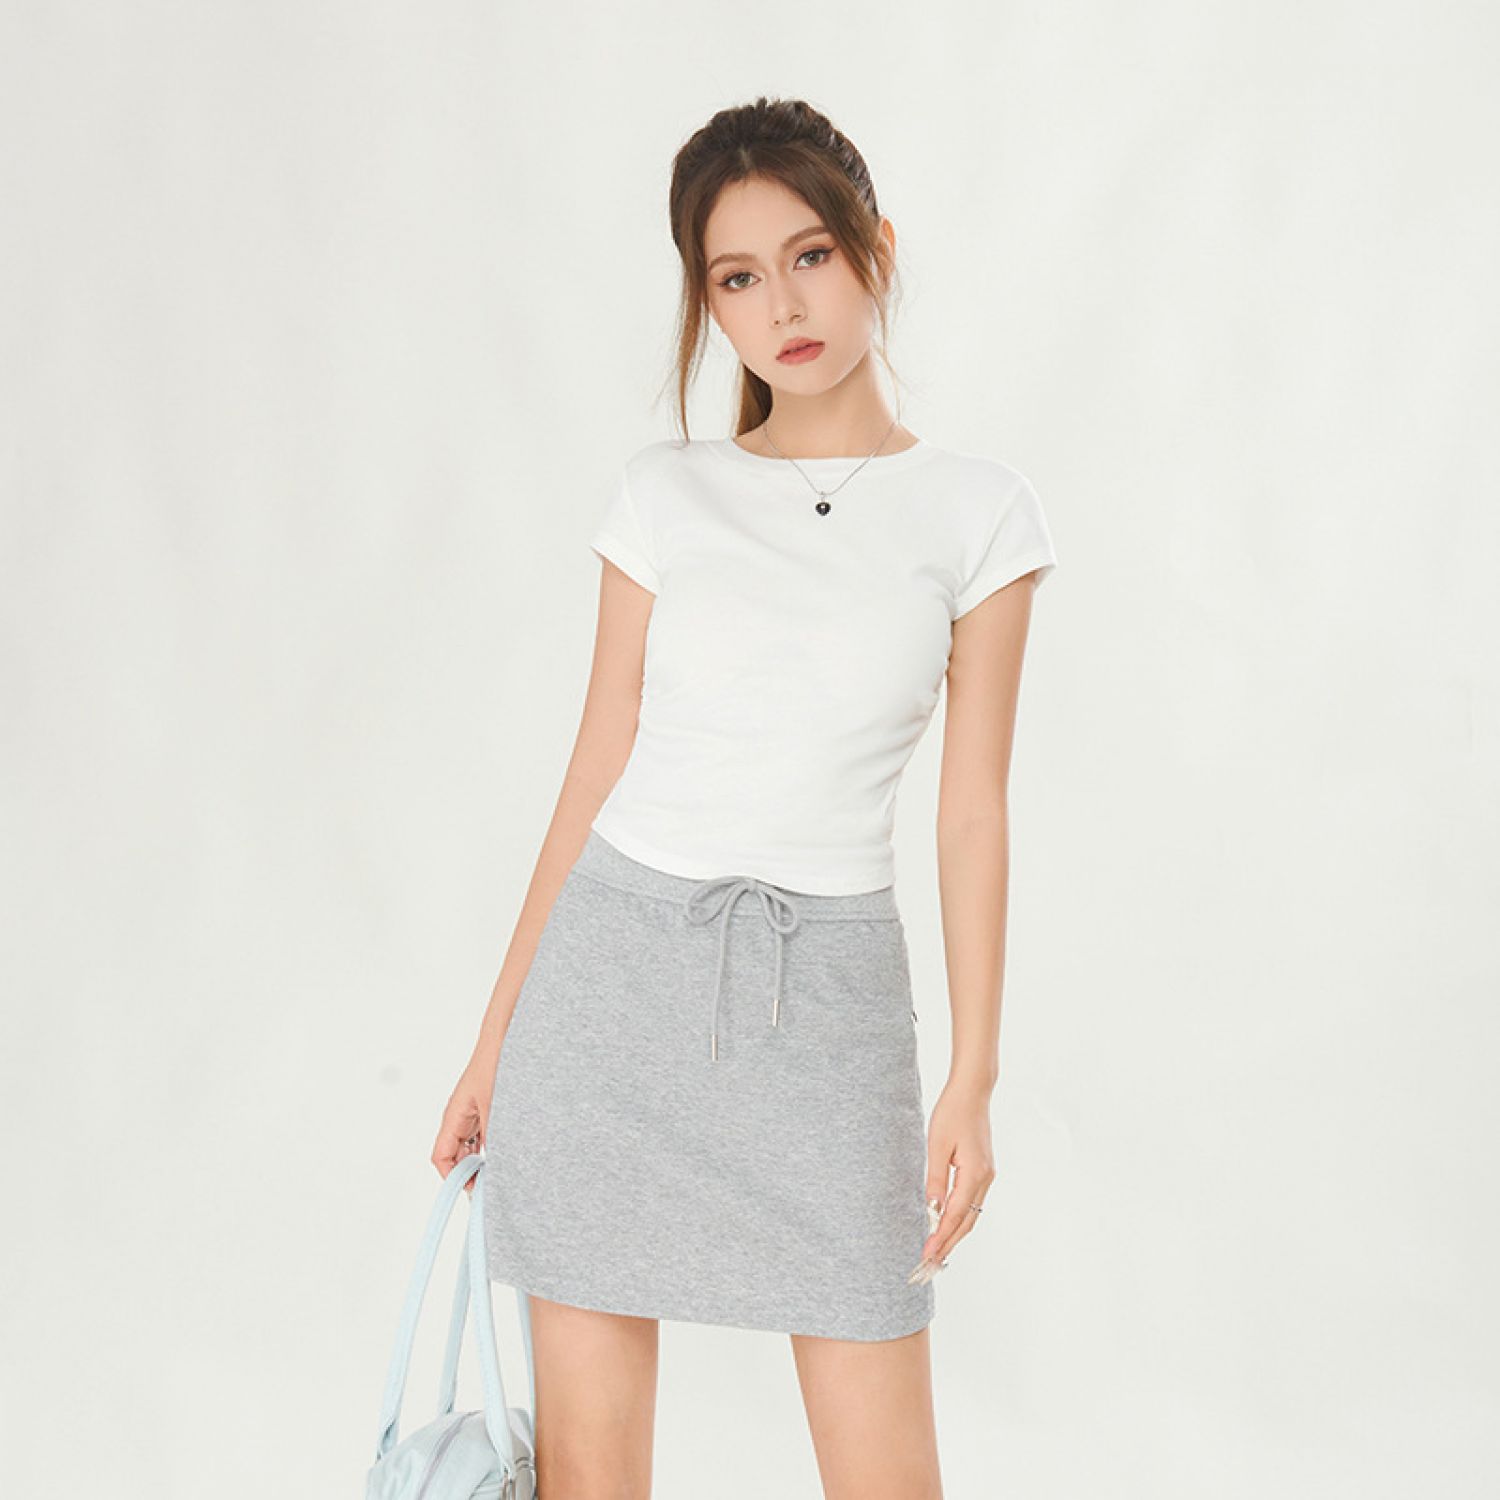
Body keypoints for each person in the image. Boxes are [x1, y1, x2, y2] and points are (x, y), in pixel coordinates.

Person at [431, 96, 1057, 1500]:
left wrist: (975, 1073)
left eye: (810, 256)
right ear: (705, 303)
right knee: (591, 1476)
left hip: (828, 1013)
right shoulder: (667, 494)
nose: (782, 306)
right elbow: (595, 765)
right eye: (736, 277)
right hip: (607, 1001)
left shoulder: (979, 512)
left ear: (875, 248)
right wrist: (495, 1041)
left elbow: (973, 812)